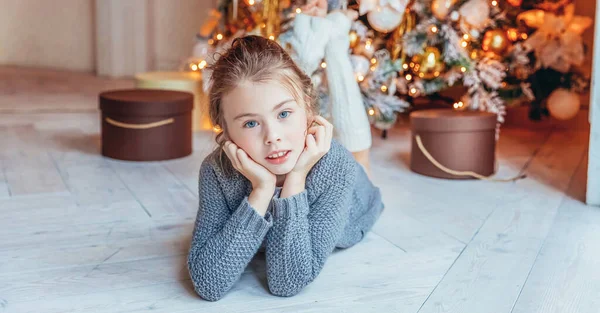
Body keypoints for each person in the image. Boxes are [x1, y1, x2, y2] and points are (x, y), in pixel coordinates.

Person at [186, 35, 384, 302]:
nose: (273, 136)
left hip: (356, 203)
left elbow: (287, 282)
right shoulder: (217, 171)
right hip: (281, 186)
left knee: (355, 170)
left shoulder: (335, 169)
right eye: (250, 124)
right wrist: (262, 189)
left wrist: (297, 177)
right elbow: (208, 283)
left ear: (307, 107)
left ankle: (364, 166)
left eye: (283, 114)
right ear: (226, 132)